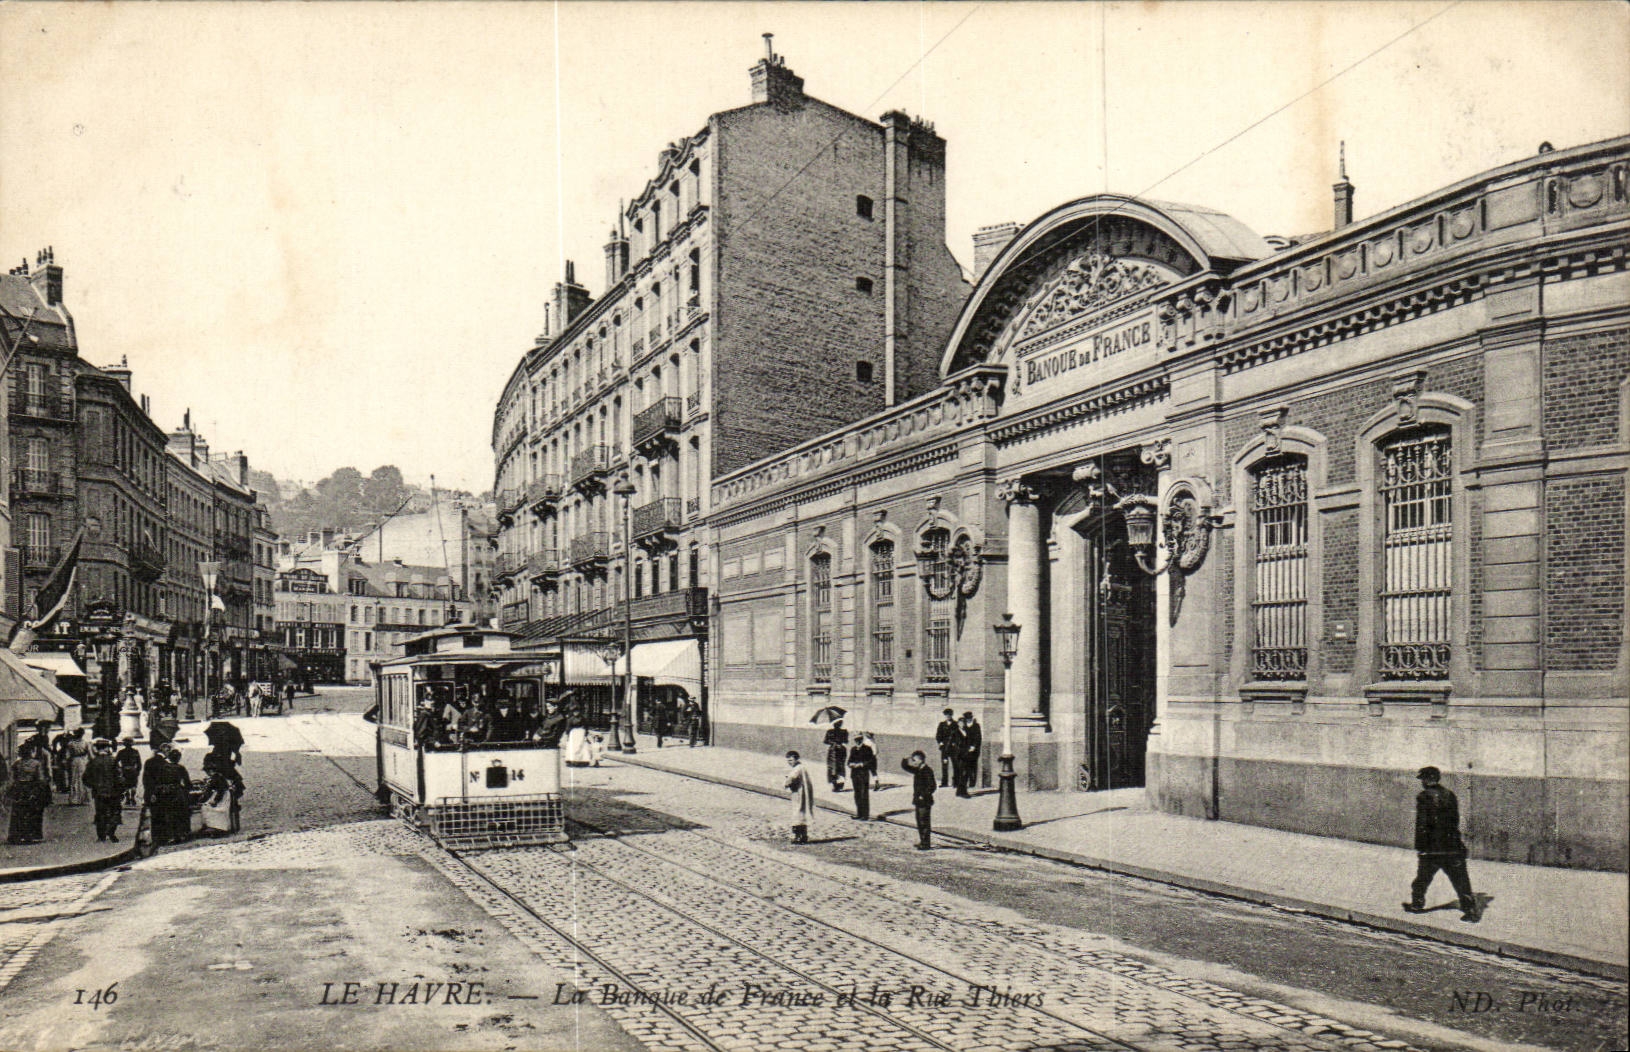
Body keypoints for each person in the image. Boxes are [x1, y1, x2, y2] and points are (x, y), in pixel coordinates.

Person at [1404, 766, 1481, 923]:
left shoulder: (1424, 797)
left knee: (1422, 879)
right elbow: (1454, 821)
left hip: (1432, 849)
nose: (1422, 782)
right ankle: (1470, 910)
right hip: (1452, 846)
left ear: (1427, 780)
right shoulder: (1449, 795)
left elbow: (1422, 824)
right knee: (1461, 880)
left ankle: (1417, 905)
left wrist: (1421, 847)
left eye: (1423, 779)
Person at [5, 745, 51, 845]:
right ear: (30, 752)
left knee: (19, 812)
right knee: (32, 811)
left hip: (20, 789)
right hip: (32, 788)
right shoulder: (36, 764)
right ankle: (32, 835)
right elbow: (40, 779)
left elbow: (12, 780)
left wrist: (10, 792)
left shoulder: (17, 764)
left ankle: (17, 835)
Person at [82, 739, 125, 842]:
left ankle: (101, 836)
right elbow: (119, 776)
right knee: (114, 812)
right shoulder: (112, 760)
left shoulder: (93, 762)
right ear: (106, 748)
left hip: (99, 792)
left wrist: (94, 786)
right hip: (113, 792)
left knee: (100, 813)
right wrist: (121, 789)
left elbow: (85, 778)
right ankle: (111, 833)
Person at [902, 750, 936, 850]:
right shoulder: (918, 769)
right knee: (919, 822)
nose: (914, 762)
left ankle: (926, 844)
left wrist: (923, 795)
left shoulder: (927, 770)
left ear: (921, 760)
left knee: (924, 822)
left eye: (915, 760)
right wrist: (905, 759)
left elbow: (932, 786)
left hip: (925, 801)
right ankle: (923, 841)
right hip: (918, 800)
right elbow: (906, 767)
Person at [784, 750, 816, 845]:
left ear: (796, 759)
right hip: (801, 793)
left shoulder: (797, 769)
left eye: (791, 760)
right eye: (788, 760)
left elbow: (791, 779)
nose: (789, 762)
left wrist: (786, 783)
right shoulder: (801, 767)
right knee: (801, 813)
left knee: (797, 813)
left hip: (799, 794)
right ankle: (803, 835)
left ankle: (799, 836)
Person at [846, 734, 876, 821]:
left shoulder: (867, 748)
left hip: (863, 774)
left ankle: (865, 815)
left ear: (862, 739)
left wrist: (862, 764)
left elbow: (871, 761)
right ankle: (859, 813)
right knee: (857, 794)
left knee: (864, 794)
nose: (857, 741)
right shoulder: (853, 749)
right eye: (856, 740)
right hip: (855, 774)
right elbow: (849, 761)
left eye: (859, 739)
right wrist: (850, 764)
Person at [956, 711, 983, 798]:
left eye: (969, 718)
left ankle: (961, 790)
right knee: (964, 772)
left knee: (967, 771)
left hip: (971, 752)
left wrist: (974, 746)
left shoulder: (975, 726)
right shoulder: (962, 730)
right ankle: (962, 791)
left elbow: (978, 738)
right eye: (965, 719)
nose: (967, 721)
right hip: (964, 754)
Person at [935, 709, 962, 789]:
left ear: (952, 715)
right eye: (946, 715)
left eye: (949, 715)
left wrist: (955, 743)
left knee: (955, 765)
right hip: (945, 748)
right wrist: (940, 742)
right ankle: (944, 782)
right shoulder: (942, 724)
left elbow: (958, 736)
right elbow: (938, 735)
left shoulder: (955, 724)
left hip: (953, 749)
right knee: (944, 765)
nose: (948, 716)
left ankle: (956, 782)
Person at [66, 728, 92, 805]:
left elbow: (67, 756)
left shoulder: (71, 743)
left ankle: (75, 799)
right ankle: (84, 799)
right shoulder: (86, 743)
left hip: (75, 761)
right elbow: (90, 755)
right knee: (82, 779)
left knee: (75, 779)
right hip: (83, 761)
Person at [823, 719, 850, 792]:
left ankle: (840, 785)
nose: (837, 724)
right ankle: (835, 785)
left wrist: (839, 743)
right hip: (833, 751)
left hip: (840, 751)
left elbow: (846, 741)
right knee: (833, 768)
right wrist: (833, 743)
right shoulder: (830, 731)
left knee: (840, 767)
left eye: (839, 723)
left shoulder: (844, 731)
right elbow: (825, 741)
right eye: (836, 723)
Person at [115, 738, 142, 807]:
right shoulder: (135, 752)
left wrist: (119, 768)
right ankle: (132, 798)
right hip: (133, 770)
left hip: (124, 769)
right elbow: (139, 763)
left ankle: (127, 799)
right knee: (133, 785)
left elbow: (115, 762)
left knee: (126, 785)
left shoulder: (121, 752)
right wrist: (138, 771)